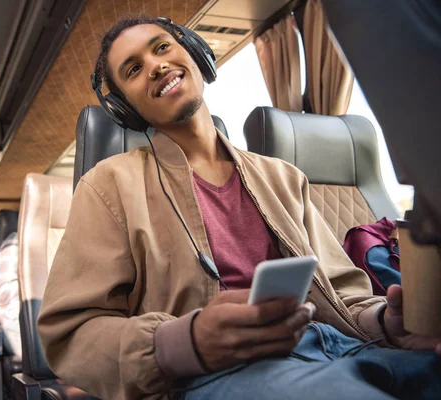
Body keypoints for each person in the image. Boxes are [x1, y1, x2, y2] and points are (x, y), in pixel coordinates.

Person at [37, 16, 441, 400]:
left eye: (162, 48)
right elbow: (71, 335)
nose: (156, 66)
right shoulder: (109, 186)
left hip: (340, 348)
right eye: (133, 69)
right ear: (125, 108)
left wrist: (386, 323)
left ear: (195, 55)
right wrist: (188, 341)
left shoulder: (283, 177)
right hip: (219, 373)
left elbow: (343, 295)